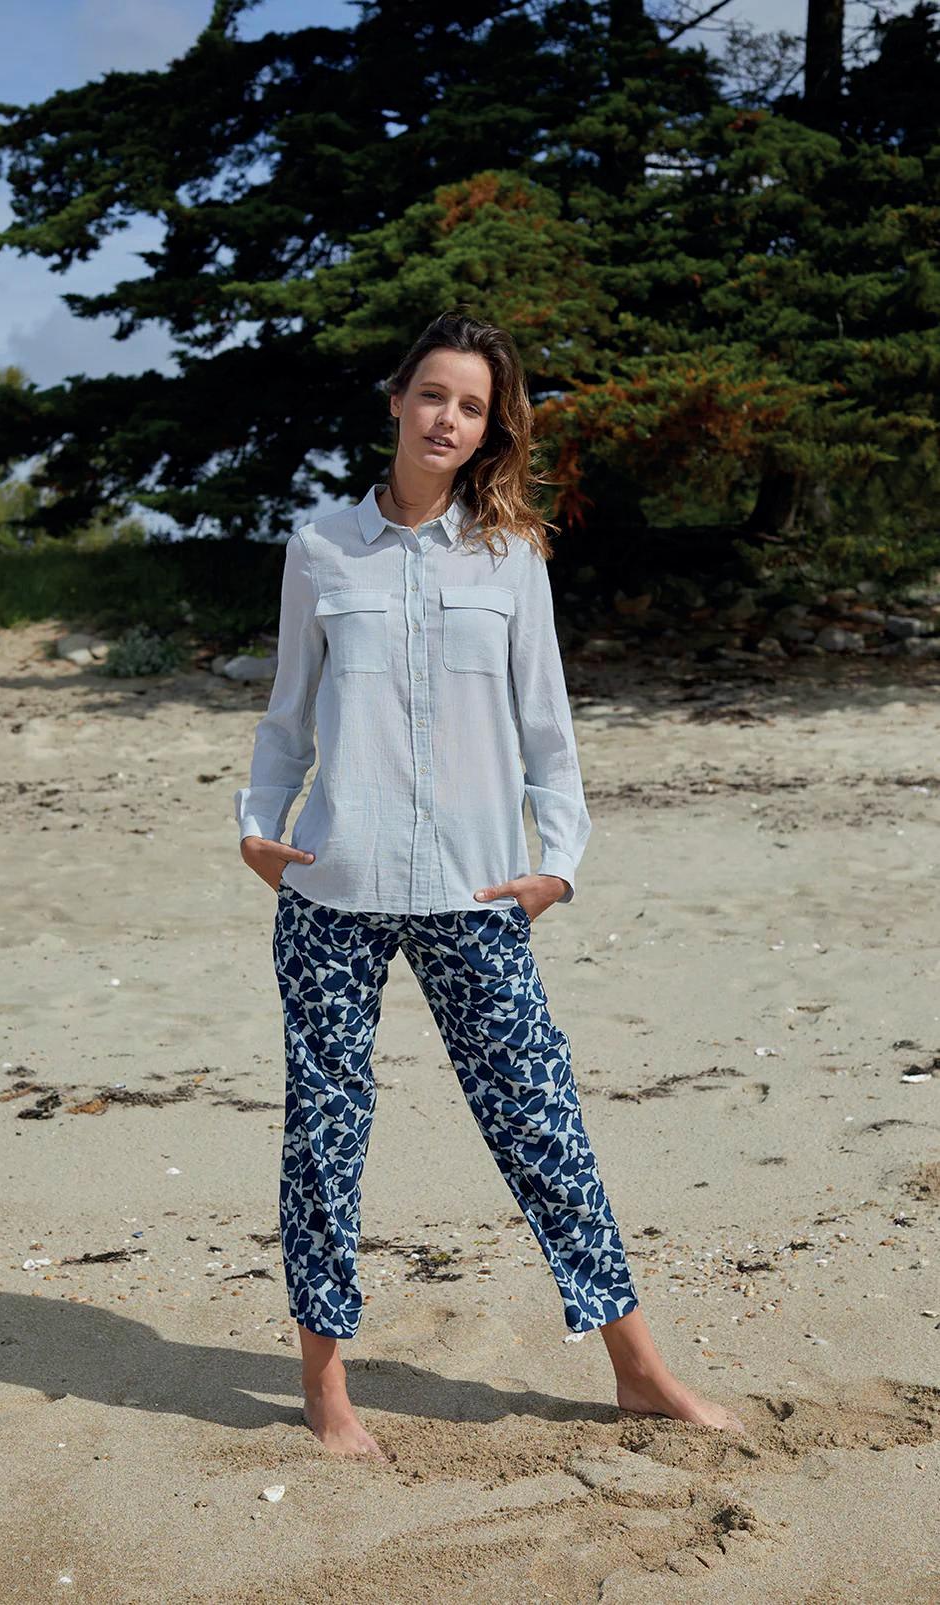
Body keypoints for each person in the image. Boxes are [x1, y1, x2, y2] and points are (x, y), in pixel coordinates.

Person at [235, 310, 745, 1460]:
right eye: (431, 395)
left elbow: (545, 729)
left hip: (474, 893)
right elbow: (285, 716)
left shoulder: (509, 557)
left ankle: (638, 1370)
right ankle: (324, 1385)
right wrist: (258, 831)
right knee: (324, 1136)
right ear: (395, 400)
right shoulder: (320, 546)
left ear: (487, 429)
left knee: (542, 1122)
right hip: (331, 889)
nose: (446, 420)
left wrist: (555, 865)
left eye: (470, 407)